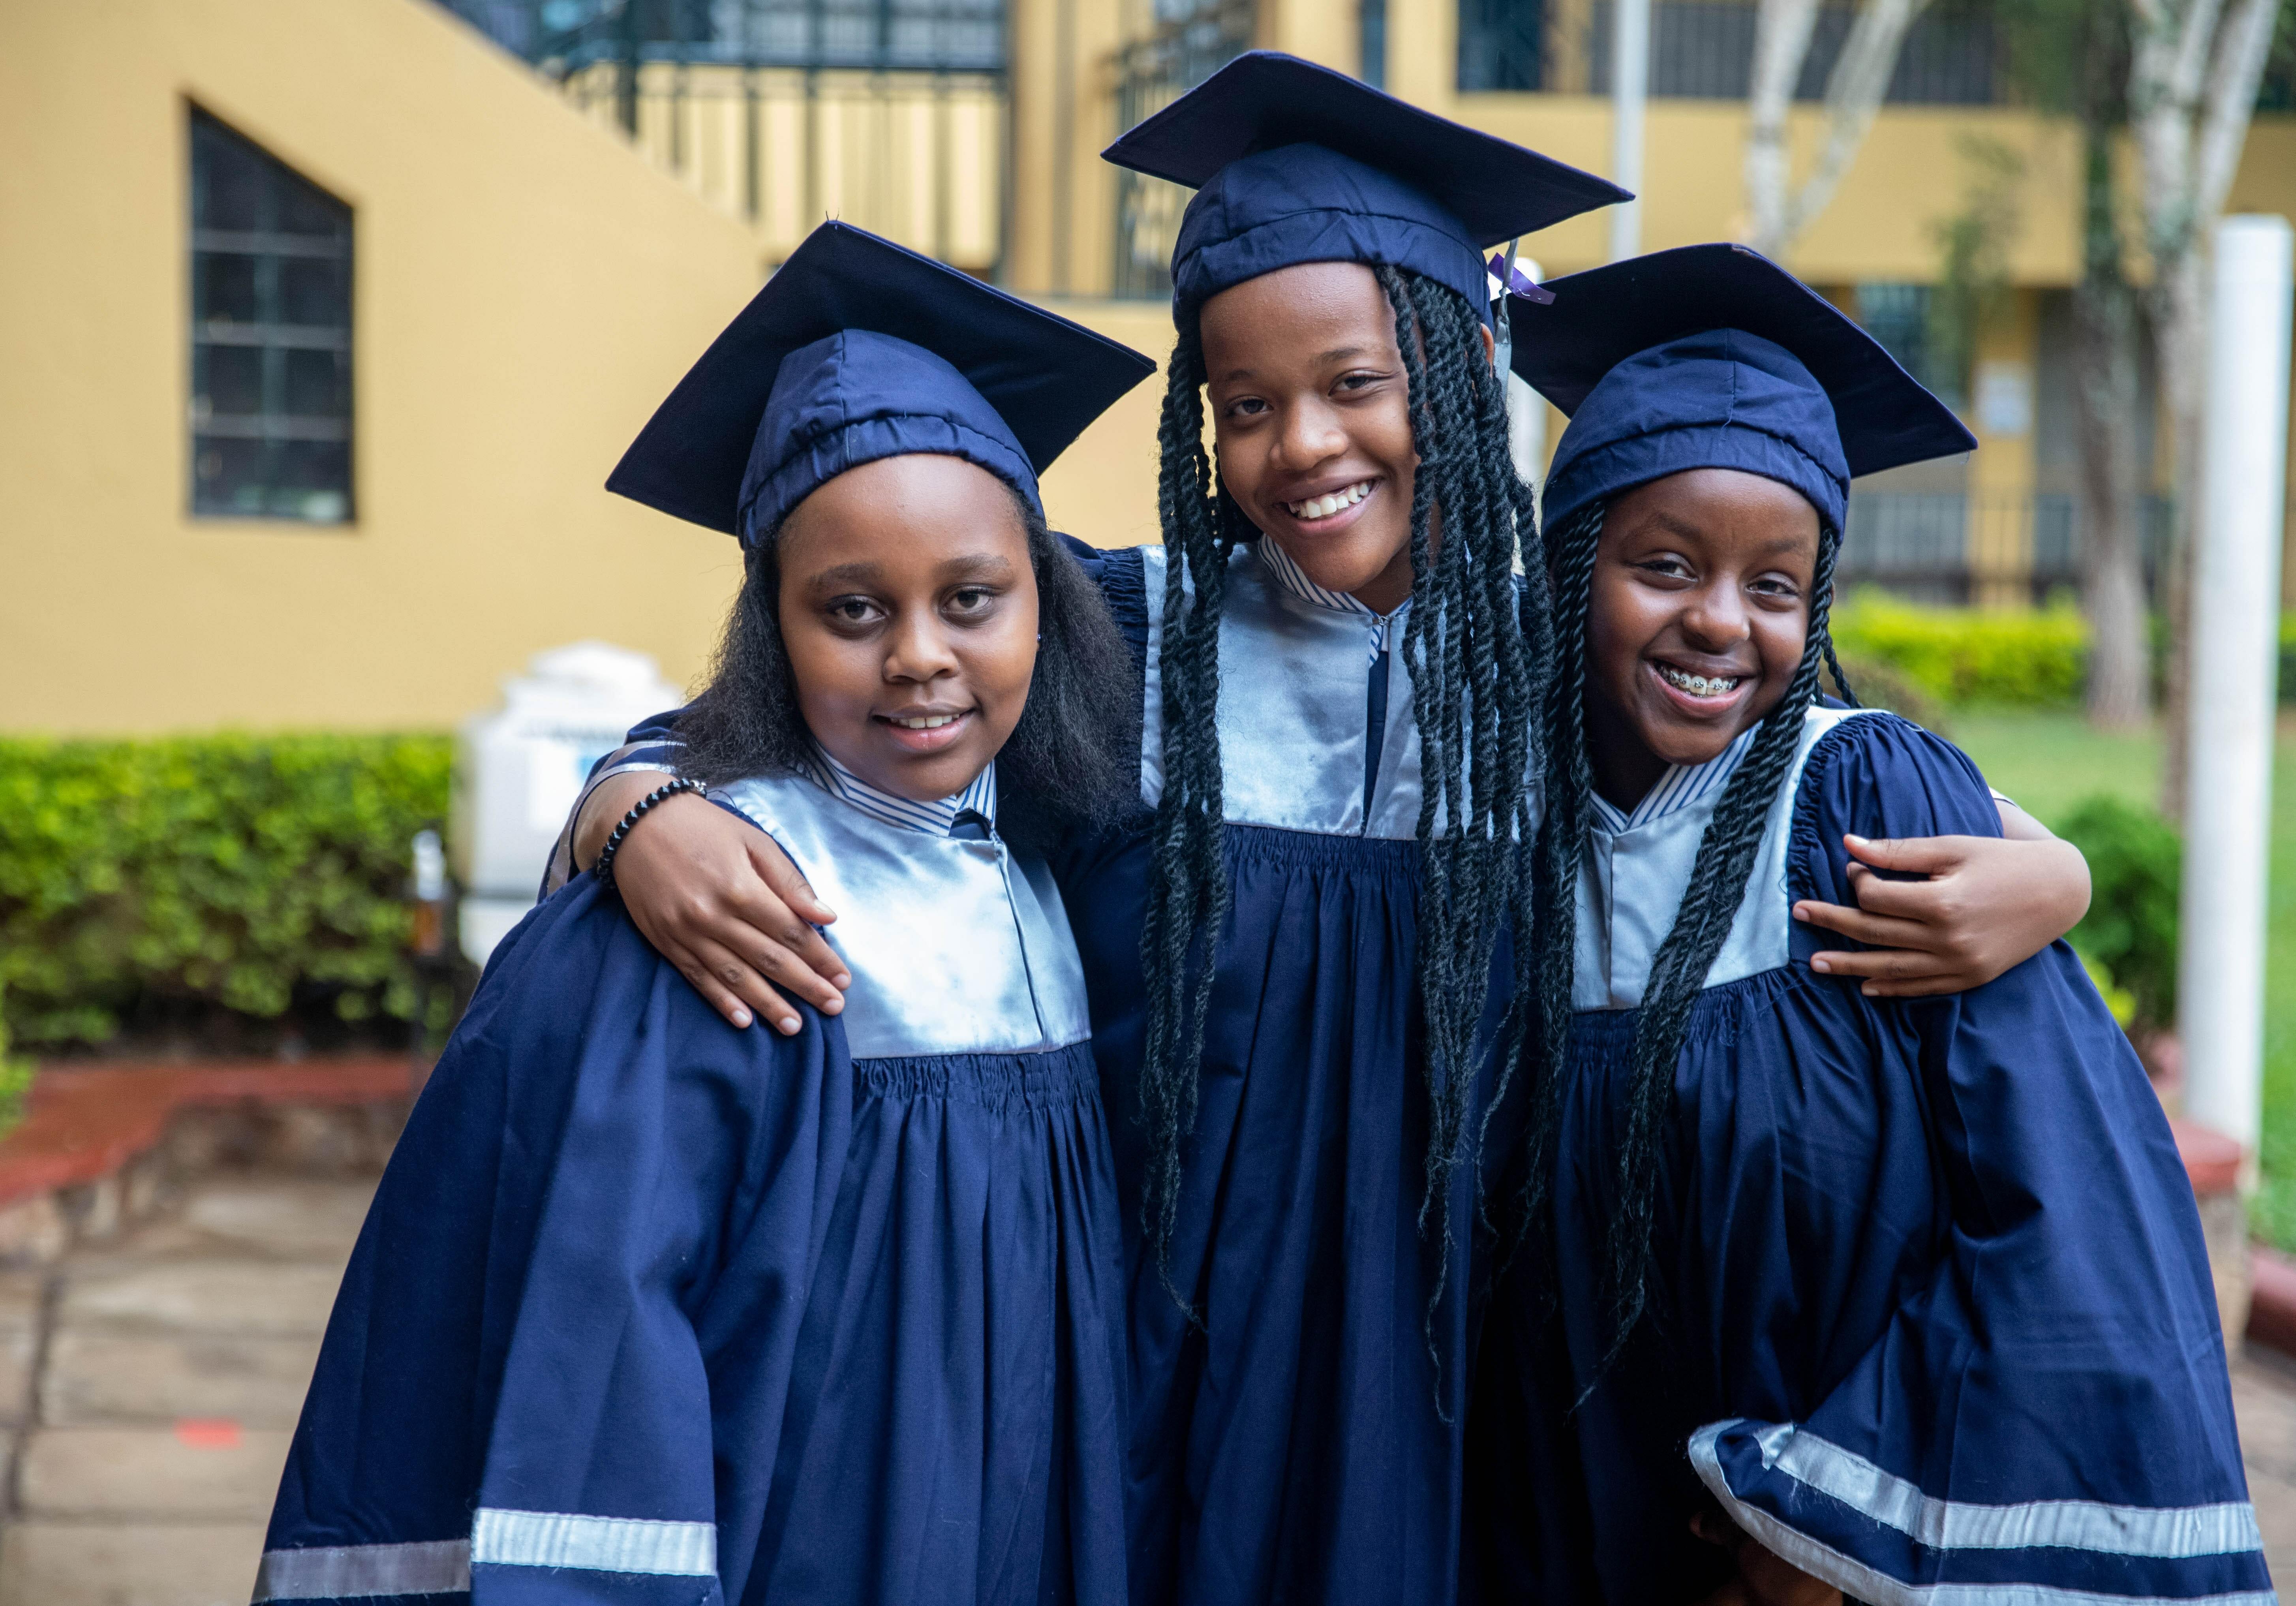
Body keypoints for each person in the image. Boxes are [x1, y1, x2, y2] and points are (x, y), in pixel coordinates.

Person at [551, 57, 2096, 1604]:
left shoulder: (1561, 671)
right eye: (1244, 406)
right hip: (1147, 1363)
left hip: (1458, 1380)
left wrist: (2057, 869)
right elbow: (791, 728)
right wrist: (634, 809)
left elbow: (1811, 773)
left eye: (1355, 384)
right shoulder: (1119, 644)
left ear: (1454, 356)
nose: (1302, 446)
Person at [254, 222, 1155, 1606]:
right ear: (773, 632)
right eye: (851, 610)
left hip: (1034, 1507)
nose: (921, 656)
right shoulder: (734, 905)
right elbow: (612, 1323)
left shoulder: (1041, 842)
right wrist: (633, 802)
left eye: (972, 598)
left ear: (1051, 602)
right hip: (825, 1516)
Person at [1493, 242, 2268, 1604]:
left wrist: (1827, 1528)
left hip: (1830, 1557)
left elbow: (2060, 1193)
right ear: (1572, 569)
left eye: (1776, 585)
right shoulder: (1503, 843)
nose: (1721, 622)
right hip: (1566, 1519)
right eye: (1664, 564)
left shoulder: (1856, 794)